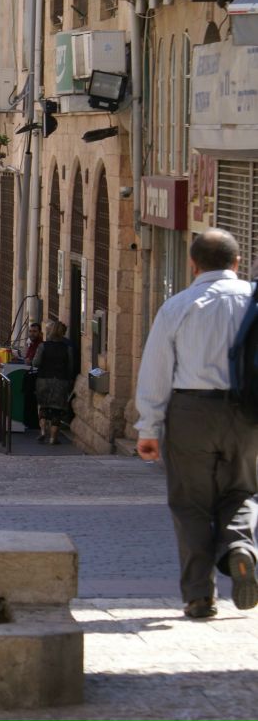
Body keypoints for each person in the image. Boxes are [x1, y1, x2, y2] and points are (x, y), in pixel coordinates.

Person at [135, 228, 258, 620]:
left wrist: (149, 428)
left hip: (190, 412)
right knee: (241, 491)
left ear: (192, 265)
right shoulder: (253, 301)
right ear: (237, 262)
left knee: (190, 504)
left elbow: (156, 371)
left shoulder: (178, 306)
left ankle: (199, 597)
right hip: (246, 413)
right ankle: (240, 547)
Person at [31, 320, 74, 445]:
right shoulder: (67, 349)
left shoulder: (43, 346)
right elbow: (70, 367)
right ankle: (53, 438)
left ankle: (43, 432)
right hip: (61, 381)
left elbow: (36, 363)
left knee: (43, 406)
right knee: (57, 411)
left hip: (44, 380)